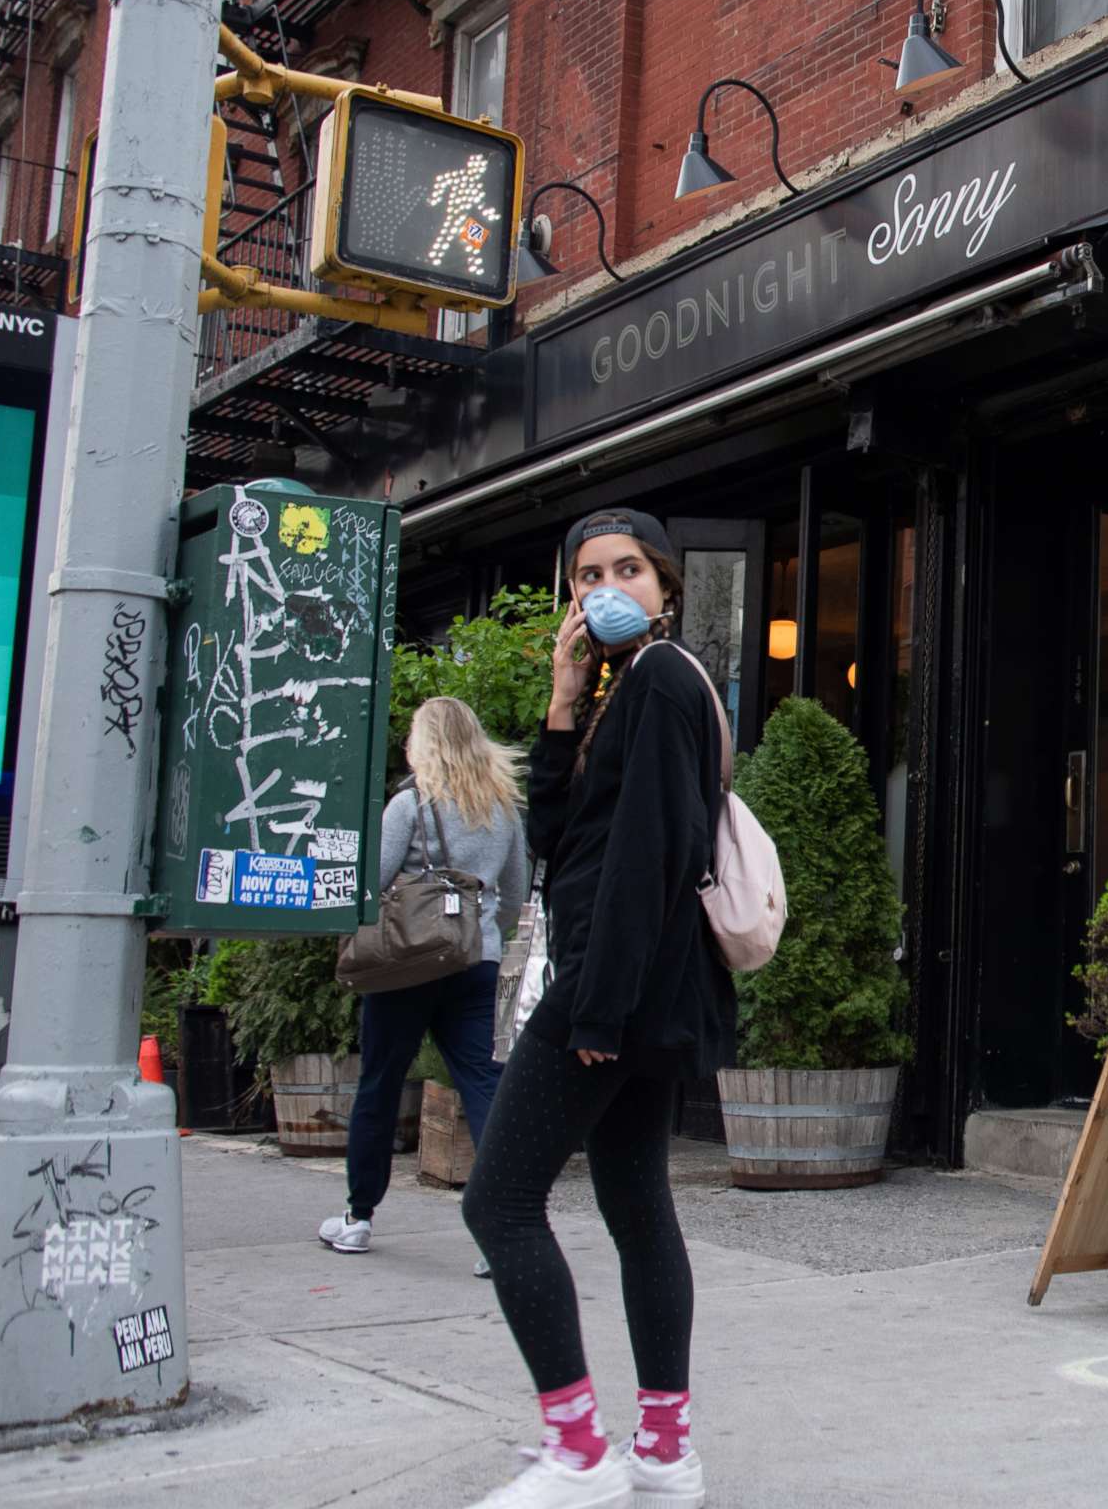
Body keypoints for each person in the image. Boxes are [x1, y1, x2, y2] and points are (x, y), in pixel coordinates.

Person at [458, 508, 735, 1509]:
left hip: (611, 987)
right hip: (630, 987)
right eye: (588, 574)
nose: (606, 587)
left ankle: (578, 1449)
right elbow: (560, 836)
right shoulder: (623, 688)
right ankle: (664, 1451)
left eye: (628, 569)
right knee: (633, 1200)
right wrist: (563, 703)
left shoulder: (661, 680)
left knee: (497, 1201)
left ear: (665, 586)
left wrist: (596, 1013)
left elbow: (646, 861)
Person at [317, 696, 525, 1271]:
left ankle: (359, 1218)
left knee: (381, 1084)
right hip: (474, 963)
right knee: (486, 1087)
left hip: (406, 967)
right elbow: (514, 891)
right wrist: (480, 931)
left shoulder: (409, 805)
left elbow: (374, 882)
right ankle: (500, 1233)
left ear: (424, 743)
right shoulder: (503, 810)